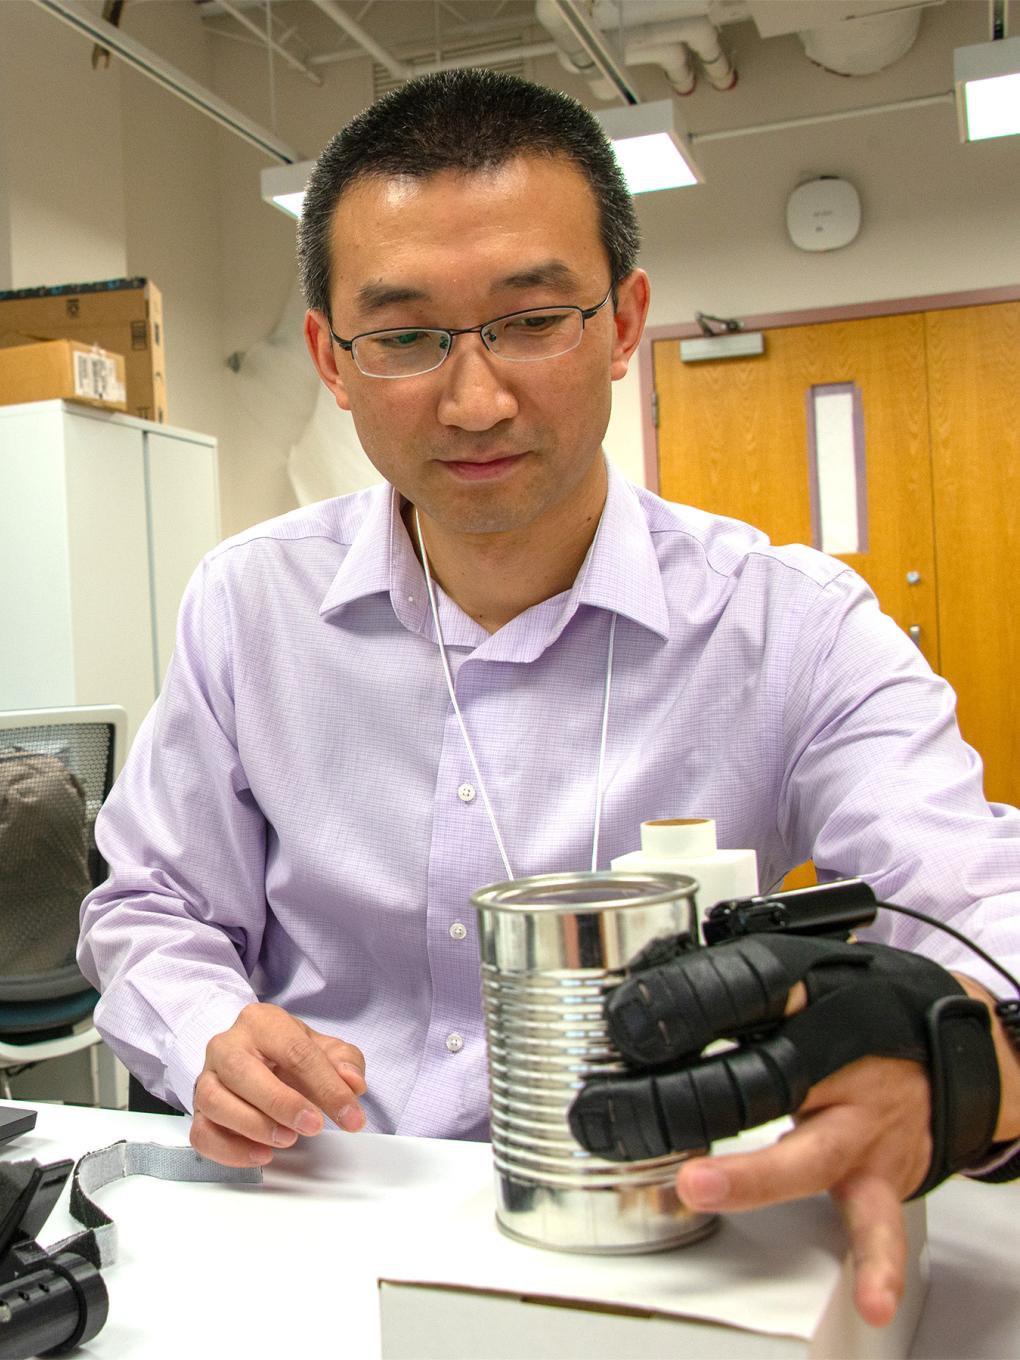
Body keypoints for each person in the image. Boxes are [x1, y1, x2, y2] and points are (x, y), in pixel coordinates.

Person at [78, 68, 1020, 1328]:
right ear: (330, 358)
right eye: (405, 336)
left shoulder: (788, 625)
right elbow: (149, 903)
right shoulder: (250, 609)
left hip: (666, 1236)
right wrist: (208, 1035)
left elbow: (972, 908)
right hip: (327, 1219)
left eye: (534, 320)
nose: (475, 401)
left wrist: (966, 1064)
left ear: (626, 319)